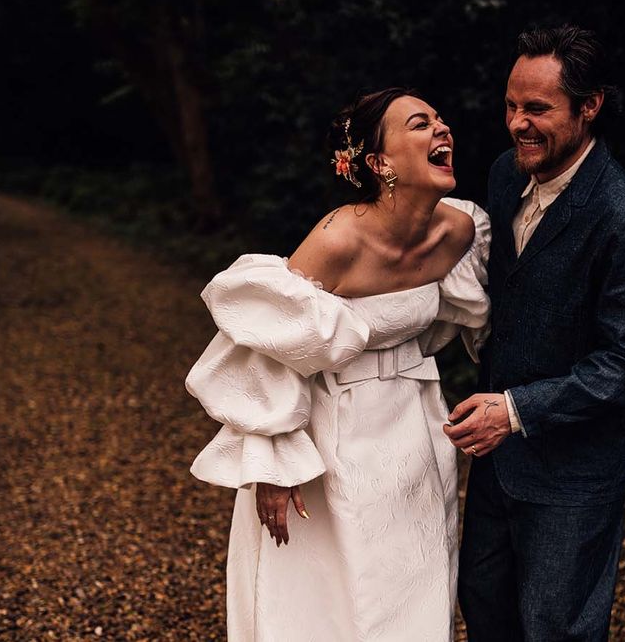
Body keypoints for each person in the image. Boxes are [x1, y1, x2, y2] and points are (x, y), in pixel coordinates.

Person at [185, 87, 491, 641]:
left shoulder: (461, 231)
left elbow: (470, 318)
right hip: (332, 435)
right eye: (421, 124)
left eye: (441, 119)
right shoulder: (338, 239)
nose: (443, 129)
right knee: (331, 594)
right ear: (379, 163)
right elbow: (264, 348)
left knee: (415, 582)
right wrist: (272, 464)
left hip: (417, 428)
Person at [444, 26, 625, 641]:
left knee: (556, 628)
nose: (518, 123)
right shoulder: (501, 175)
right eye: (511, 105)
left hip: (574, 474)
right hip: (497, 464)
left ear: (589, 105)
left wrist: (516, 410)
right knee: (483, 605)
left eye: (538, 109)